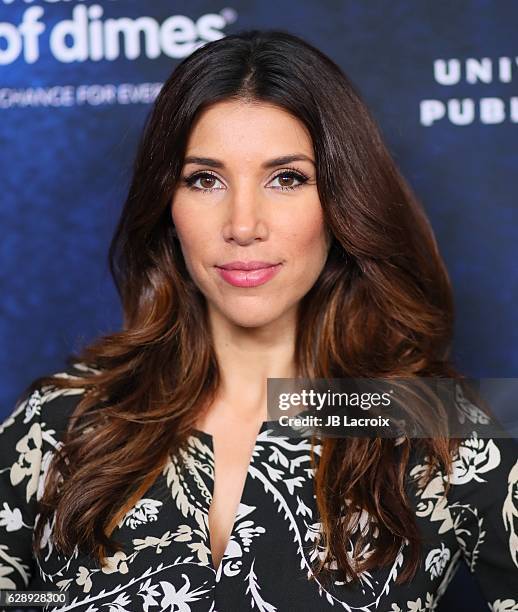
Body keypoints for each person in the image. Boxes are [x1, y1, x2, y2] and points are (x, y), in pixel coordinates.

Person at [1, 29, 517, 612]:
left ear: (342, 201)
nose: (243, 224)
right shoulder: (63, 421)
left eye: (286, 178)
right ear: (167, 206)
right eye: (205, 179)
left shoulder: (431, 423)